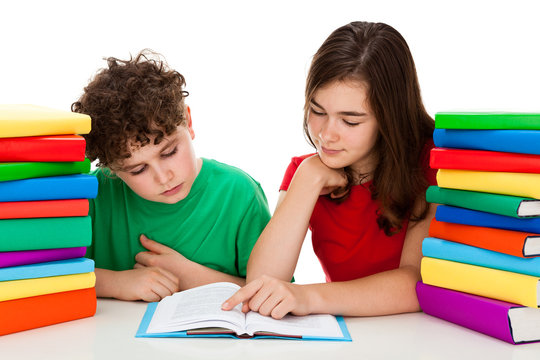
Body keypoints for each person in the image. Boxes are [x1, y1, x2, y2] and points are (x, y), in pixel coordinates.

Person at [223, 21, 437, 318]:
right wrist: (308, 178)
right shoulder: (306, 172)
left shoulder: (431, 164)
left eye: (350, 121)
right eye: (317, 111)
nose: (326, 135)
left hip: (421, 334)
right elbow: (263, 280)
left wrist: (306, 297)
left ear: (390, 118)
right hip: (348, 334)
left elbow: (413, 281)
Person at [72, 50, 271, 302]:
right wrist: (115, 283)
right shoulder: (91, 196)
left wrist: (189, 276)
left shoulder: (239, 194)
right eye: (138, 169)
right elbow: (37, 275)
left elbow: (276, 290)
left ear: (188, 122)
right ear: (112, 169)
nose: (163, 177)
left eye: (169, 152)